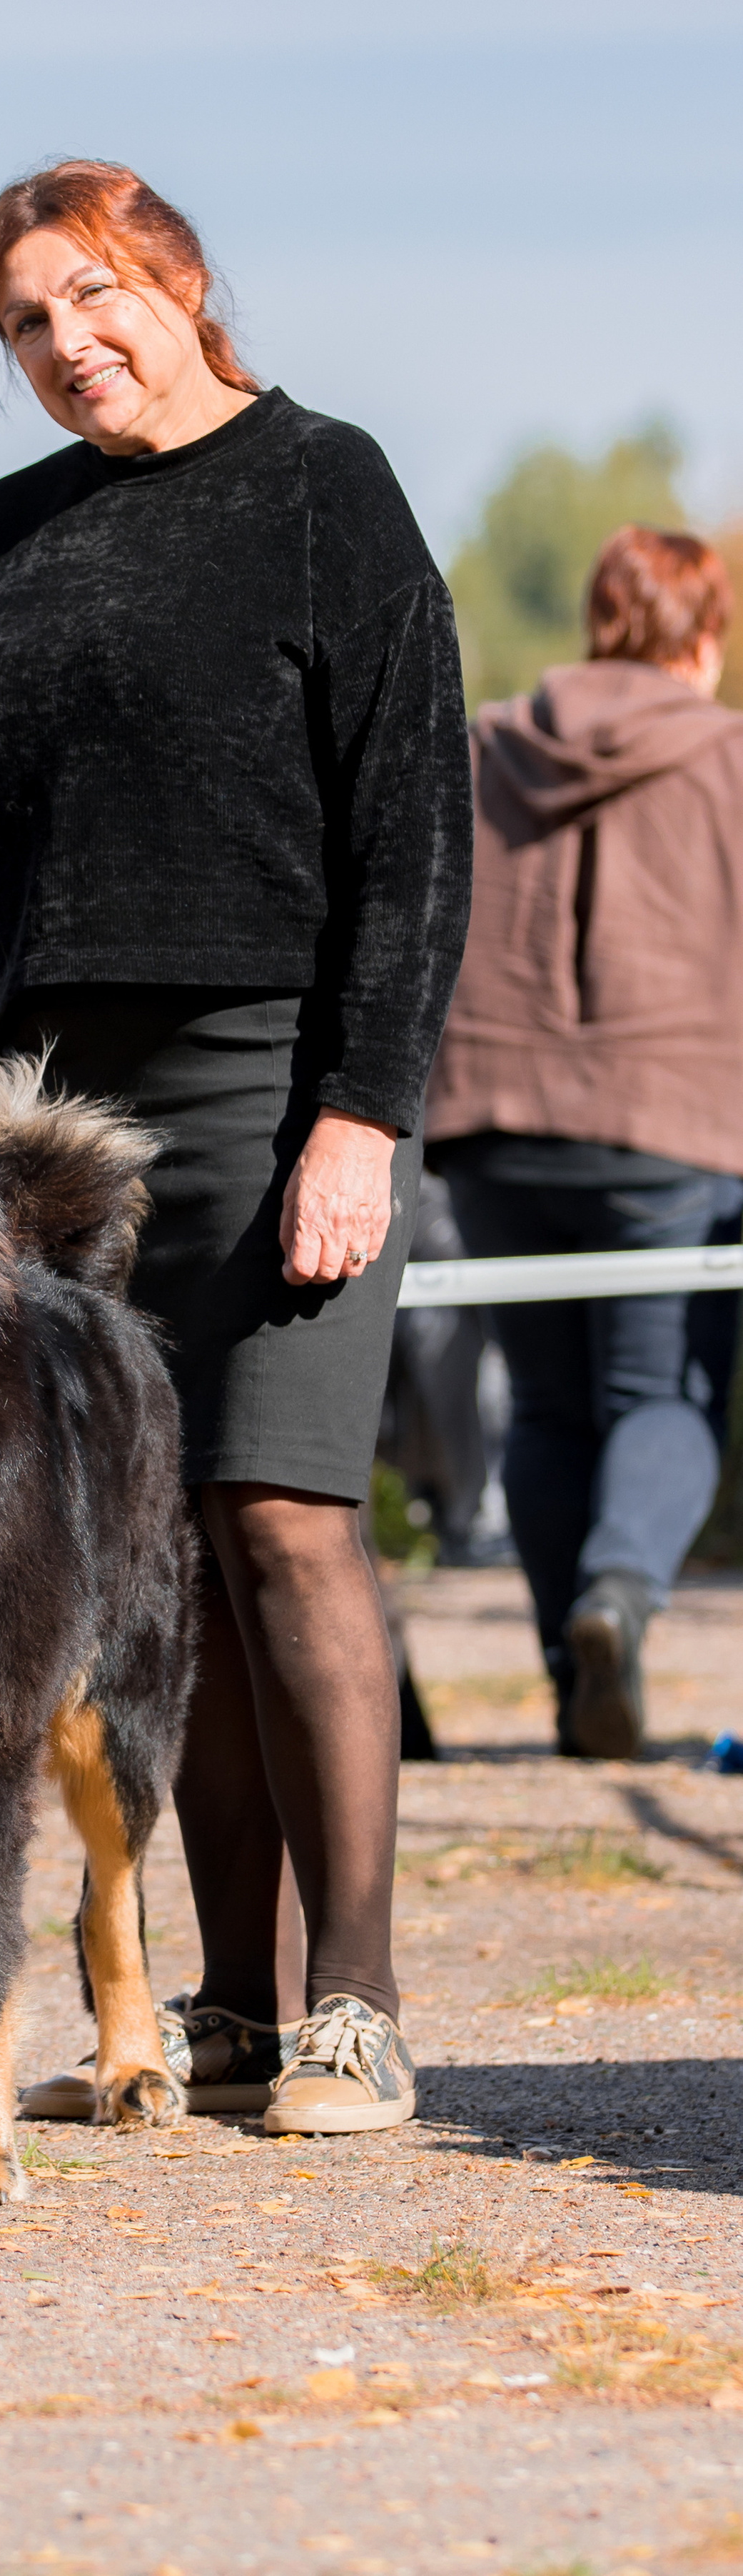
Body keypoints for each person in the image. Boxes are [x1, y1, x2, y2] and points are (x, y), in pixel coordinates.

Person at [0, 160, 471, 2135]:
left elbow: (415, 829)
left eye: (94, 296)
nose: (70, 345)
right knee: (144, 1565)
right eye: (25, 324)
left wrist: (363, 1106)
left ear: (176, 278)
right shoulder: (5, 533)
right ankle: (222, 2007)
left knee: (280, 1517)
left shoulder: (329, 487)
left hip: (281, 1069)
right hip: (61, 1112)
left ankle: (357, 2006)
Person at [426, 524, 743, 1759]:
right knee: (661, 1393)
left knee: (549, 1410)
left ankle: (576, 1682)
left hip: (498, 1121)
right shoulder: (725, 757)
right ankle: (619, 1594)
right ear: (703, 637)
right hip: (667, 1124)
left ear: (599, 621)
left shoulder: (491, 744)